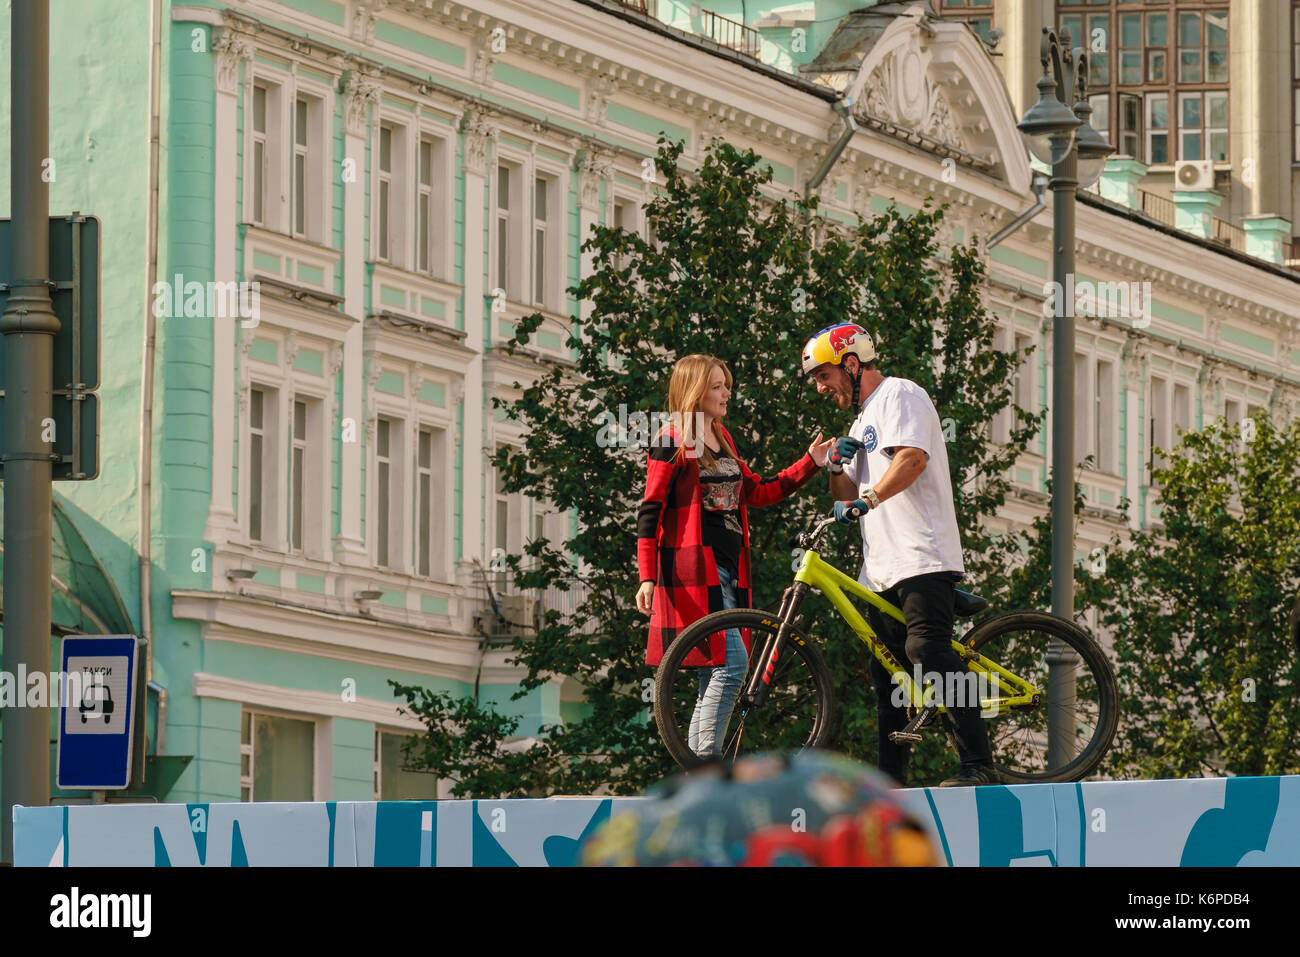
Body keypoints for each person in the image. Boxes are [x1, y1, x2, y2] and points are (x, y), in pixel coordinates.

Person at [802, 322, 998, 787]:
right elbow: (846, 489)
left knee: (925, 650)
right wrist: (834, 467)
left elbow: (913, 459)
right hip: (882, 567)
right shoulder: (861, 420)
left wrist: (867, 500)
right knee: (886, 674)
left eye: (824, 375)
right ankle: (889, 784)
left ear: (851, 363)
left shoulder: (901, 395)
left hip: (921, 554)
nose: (821, 387)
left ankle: (979, 764)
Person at [636, 353, 832, 757]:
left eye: (726, 384)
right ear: (694, 392)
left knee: (717, 672)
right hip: (691, 574)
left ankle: (697, 767)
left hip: (728, 573)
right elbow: (650, 510)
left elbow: (758, 491)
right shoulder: (671, 440)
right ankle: (705, 760)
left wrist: (810, 463)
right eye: (717, 386)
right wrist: (647, 576)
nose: (727, 393)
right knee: (732, 666)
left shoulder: (722, 438)